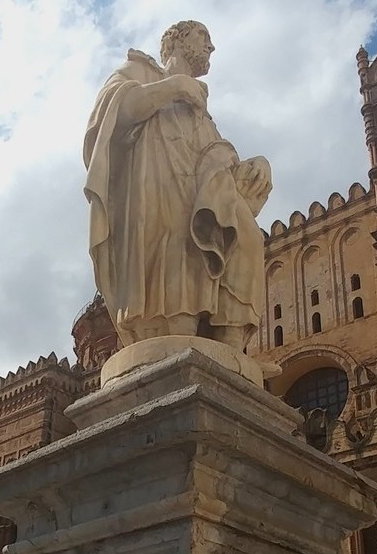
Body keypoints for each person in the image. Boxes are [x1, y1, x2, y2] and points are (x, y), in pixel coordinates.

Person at [83, 20, 272, 351]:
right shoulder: (141, 70)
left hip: (201, 189)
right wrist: (174, 87)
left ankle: (231, 349)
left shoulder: (200, 109)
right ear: (177, 40)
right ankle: (177, 341)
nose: (211, 47)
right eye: (203, 37)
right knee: (177, 256)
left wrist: (256, 166)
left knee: (248, 239)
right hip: (157, 188)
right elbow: (112, 114)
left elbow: (217, 158)